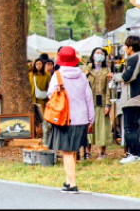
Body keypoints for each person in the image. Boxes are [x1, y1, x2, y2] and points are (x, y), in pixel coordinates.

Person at [46, 46, 94, 194]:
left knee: (67, 152)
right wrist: (90, 119)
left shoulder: (57, 76)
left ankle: (72, 183)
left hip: (64, 118)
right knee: (73, 150)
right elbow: (89, 98)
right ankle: (68, 181)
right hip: (81, 118)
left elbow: (50, 95)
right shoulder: (82, 76)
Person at [109, 36, 140, 164]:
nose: (124, 49)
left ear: (130, 47)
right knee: (139, 125)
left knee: (129, 127)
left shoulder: (134, 58)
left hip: (134, 99)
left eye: (125, 46)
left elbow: (128, 76)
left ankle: (134, 153)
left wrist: (114, 76)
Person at [84, 47, 112, 159]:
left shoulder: (107, 70)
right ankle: (87, 152)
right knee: (89, 127)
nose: (99, 55)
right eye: (97, 53)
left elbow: (108, 89)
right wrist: (87, 71)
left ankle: (102, 153)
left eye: (101, 53)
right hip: (89, 101)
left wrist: (108, 104)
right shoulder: (87, 69)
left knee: (102, 127)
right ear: (92, 55)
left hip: (102, 100)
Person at [30, 58, 51, 145]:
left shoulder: (46, 75)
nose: (38, 66)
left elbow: (49, 87)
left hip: (43, 100)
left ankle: (44, 136)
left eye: (40, 64)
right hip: (32, 98)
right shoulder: (31, 74)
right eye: (37, 64)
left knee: (43, 119)